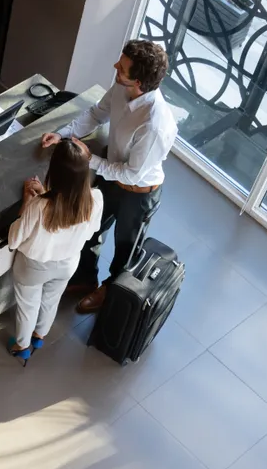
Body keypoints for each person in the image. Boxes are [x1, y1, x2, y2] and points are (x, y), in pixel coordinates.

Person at [40, 39, 178, 314]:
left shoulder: (154, 124)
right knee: (89, 228)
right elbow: (96, 114)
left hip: (138, 192)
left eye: (122, 67)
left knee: (125, 249)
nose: (116, 66)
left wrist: (90, 160)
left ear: (138, 81)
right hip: (111, 174)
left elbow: (132, 173)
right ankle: (84, 279)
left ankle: (111, 290)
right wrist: (65, 133)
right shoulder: (121, 86)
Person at [6, 138, 104, 364]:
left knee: (27, 307)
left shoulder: (39, 205)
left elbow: (14, 239)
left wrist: (28, 202)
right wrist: (46, 194)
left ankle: (22, 347)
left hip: (32, 266)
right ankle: (39, 337)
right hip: (68, 263)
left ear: (55, 171)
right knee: (51, 300)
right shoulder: (96, 199)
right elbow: (90, 232)